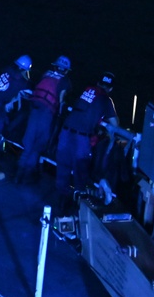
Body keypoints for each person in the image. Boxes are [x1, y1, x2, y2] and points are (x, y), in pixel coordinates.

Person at [54, 72, 118, 214]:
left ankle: (60, 204)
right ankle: (77, 209)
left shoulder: (87, 90)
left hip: (65, 133)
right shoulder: (106, 100)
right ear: (111, 89)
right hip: (81, 139)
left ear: (98, 82)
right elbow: (115, 124)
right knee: (80, 172)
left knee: (63, 168)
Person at [14, 56, 71, 184]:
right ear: (66, 70)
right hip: (47, 112)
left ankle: (18, 174)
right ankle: (27, 175)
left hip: (34, 107)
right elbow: (61, 100)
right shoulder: (65, 81)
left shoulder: (46, 73)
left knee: (28, 142)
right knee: (39, 143)